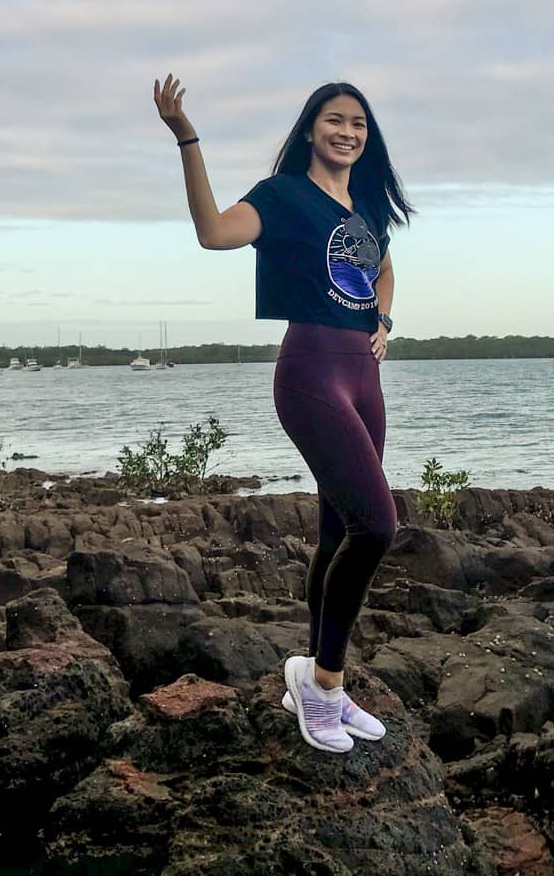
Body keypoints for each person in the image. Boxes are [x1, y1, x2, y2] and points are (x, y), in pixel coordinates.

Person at [154, 75, 413, 753]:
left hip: (363, 373)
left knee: (338, 532)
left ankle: (316, 681)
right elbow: (213, 232)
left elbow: (383, 269)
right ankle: (324, 683)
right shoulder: (282, 197)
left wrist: (384, 317)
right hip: (310, 373)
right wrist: (187, 137)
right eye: (335, 120)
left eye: (359, 123)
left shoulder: (363, 208)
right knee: (378, 526)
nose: (348, 133)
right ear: (309, 129)